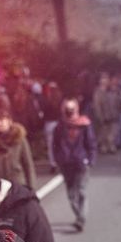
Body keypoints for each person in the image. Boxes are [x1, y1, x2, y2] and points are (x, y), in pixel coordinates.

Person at [52, 99, 96, 232]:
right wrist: (58, 159)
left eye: (72, 109)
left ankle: (81, 219)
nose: (69, 112)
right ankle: (78, 215)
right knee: (71, 194)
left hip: (81, 163)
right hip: (66, 164)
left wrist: (90, 160)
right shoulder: (60, 127)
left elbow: (91, 143)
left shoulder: (84, 124)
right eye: (67, 109)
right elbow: (55, 145)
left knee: (81, 191)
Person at [0, 108, 37, 190]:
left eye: (1, 120)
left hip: (17, 182)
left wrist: (31, 186)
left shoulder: (19, 138)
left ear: (9, 121)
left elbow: (28, 164)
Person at [92, 73, 121, 155]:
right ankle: (104, 146)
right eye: (103, 78)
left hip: (113, 115)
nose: (105, 81)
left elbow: (120, 102)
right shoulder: (98, 92)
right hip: (103, 116)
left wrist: (119, 110)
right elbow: (97, 105)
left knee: (112, 132)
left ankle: (110, 145)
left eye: (106, 78)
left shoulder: (113, 90)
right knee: (103, 132)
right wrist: (99, 116)